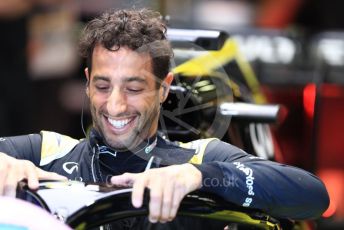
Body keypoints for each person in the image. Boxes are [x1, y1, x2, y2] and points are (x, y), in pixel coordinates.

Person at [0, 8, 329, 225]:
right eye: (102, 86)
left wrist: (200, 177)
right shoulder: (43, 153)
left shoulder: (197, 159)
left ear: (163, 89)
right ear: (86, 83)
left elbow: (313, 196)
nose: (115, 106)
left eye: (133, 88)